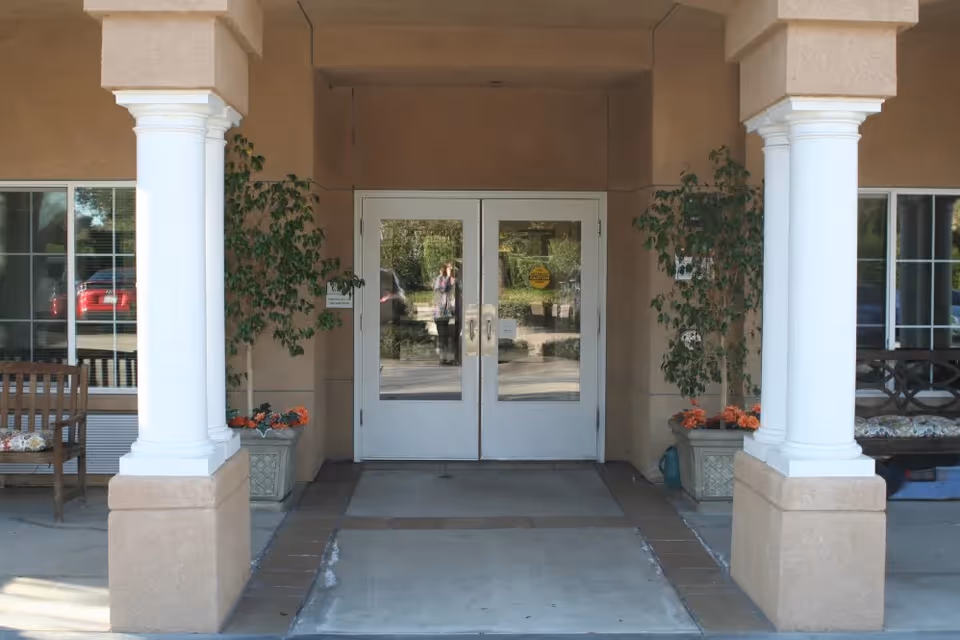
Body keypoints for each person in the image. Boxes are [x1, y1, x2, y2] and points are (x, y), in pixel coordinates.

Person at [433, 263, 458, 365]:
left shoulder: (447, 279)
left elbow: (453, 286)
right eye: (448, 269)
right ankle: (443, 358)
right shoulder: (440, 279)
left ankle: (446, 357)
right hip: (440, 312)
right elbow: (443, 289)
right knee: (442, 335)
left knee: (445, 335)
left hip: (445, 312)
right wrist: (448, 275)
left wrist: (450, 276)